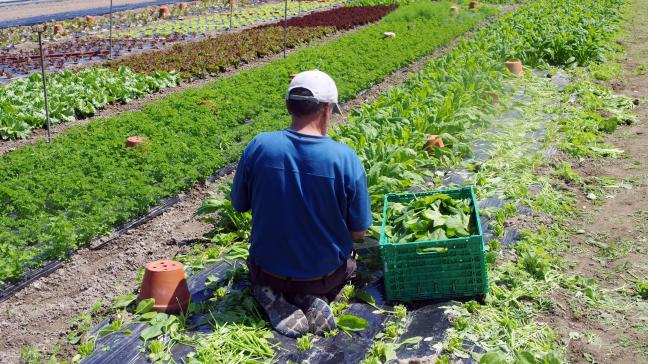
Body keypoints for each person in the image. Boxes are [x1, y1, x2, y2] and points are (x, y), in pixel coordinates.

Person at [230, 70, 371, 338]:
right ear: (327, 109)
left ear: (288, 106)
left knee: (264, 269)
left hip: (267, 269)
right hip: (322, 275)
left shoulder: (258, 146)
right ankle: (311, 296)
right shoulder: (345, 159)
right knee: (351, 265)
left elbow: (240, 205)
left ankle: (273, 295)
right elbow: (359, 233)